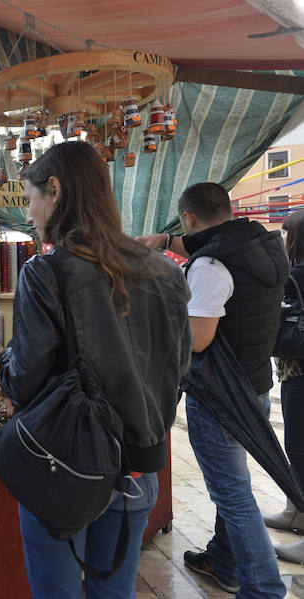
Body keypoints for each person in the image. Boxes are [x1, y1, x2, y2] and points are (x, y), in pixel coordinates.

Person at [0, 141, 192, 598]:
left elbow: (24, 380)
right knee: (115, 592)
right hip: (140, 465)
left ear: (55, 189)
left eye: (30, 201)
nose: (30, 215)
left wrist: (4, 361)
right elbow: (178, 367)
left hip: (66, 468)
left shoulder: (46, 272)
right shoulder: (165, 272)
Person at [139, 182, 288, 597]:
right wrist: (166, 242)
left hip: (220, 396)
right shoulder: (262, 244)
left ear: (188, 217)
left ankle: (263, 588)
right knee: (235, 485)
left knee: (233, 495)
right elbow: (217, 251)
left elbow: (198, 339)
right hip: (254, 383)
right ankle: (224, 563)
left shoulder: (209, 266)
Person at [265, 210, 304, 562]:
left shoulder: (297, 276)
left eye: (286, 234)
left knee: (300, 448)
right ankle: (296, 512)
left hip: (299, 373)